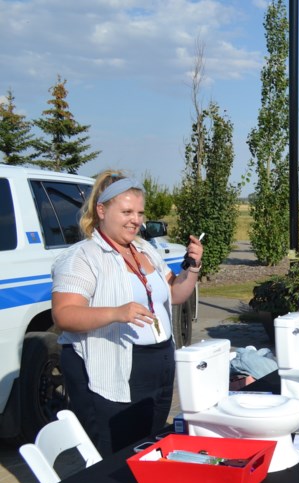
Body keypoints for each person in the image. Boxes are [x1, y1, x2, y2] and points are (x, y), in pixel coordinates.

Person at [52, 171, 204, 454]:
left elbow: (173, 294)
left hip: (157, 365)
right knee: (115, 455)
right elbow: (64, 315)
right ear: (101, 210)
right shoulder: (83, 257)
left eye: (140, 212)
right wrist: (116, 313)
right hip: (113, 369)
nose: (136, 220)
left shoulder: (144, 249)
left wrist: (192, 268)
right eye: (126, 212)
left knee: (149, 446)